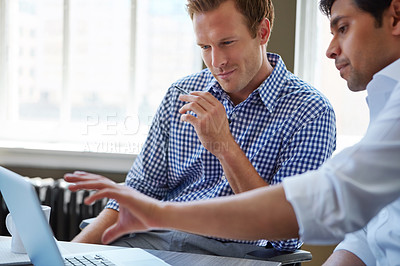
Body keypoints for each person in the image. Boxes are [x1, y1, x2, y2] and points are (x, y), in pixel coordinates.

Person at [66, 0, 400, 264]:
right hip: (147, 244)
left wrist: (224, 146)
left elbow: (287, 233)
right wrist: (68, 255)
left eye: (227, 42)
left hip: (229, 256)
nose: (217, 61)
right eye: (205, 47)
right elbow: (138, 190)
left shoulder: (309, 111)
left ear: (263, 31)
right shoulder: (180, 94)